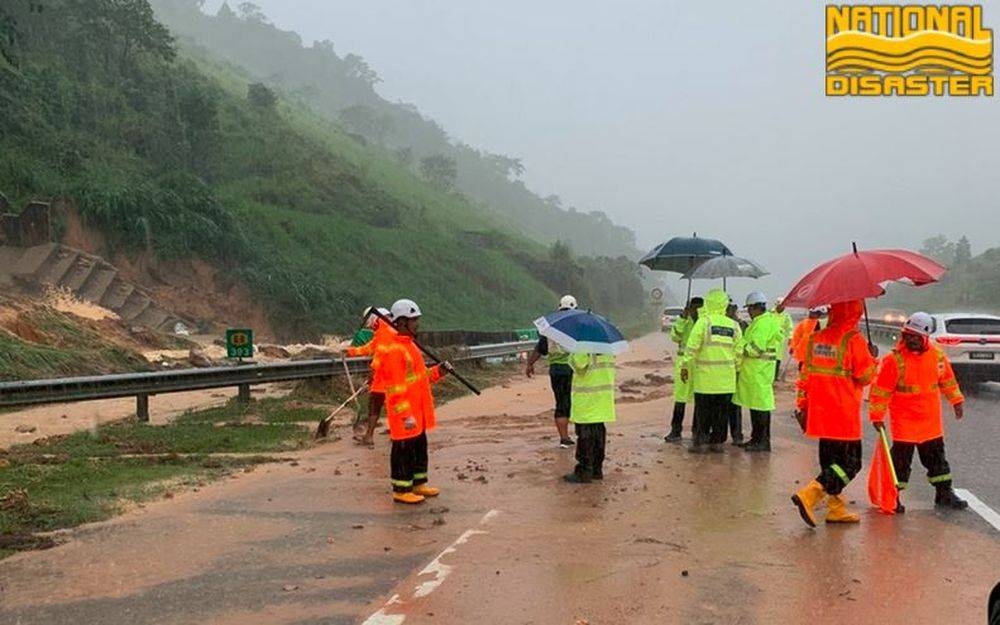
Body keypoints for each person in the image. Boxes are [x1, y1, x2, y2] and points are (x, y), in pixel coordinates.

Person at [868, 312, 968, 511]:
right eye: (908, 335)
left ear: (925, 337)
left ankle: (944, 493)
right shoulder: (893, 360)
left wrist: (956, 400)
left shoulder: (937, 356)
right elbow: (880, 392)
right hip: (904, 420)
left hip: (930, 420)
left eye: (916, 336)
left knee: (937, 460)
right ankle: (892, 497)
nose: (911, 339)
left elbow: (947, 381)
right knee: (900, 462)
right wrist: (877, 416)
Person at [791, 300, 877, 527]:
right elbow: (866, 376)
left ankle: (836, 509)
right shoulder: (853, 340)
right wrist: (873, 357)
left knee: (830, 464)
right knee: (851, 464)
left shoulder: (815, 338)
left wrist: (802, 406)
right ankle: (810, 494)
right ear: (855, 312)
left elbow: (804, 377)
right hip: (843, 415)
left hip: (819, 414)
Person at [371, 298, 451, 504]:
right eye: (414, 320)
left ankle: (418, 483)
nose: (418, 323)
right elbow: (396, 389)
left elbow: (420, 377)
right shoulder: (395, 351)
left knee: (418, 448)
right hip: (404, 414)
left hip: (418, 410)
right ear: (402, 322)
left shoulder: (411, 347)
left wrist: (438, 372)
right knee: (403, 451)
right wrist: (405, 415)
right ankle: (401, 488)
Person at [679, 289, 741, 454]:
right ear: (724, 304)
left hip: (705, 379)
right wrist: (737, 370)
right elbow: (739, 352)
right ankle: (718, 443)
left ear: (708, 302)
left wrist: (685, 367)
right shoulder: (734, 325)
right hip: (726, 380)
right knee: (721, 414)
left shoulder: (703, 322)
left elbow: (691, 348)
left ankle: (700, 442)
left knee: (703, 413)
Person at [526, 295, 578, 448]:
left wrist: (530, 364)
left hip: (555, 370)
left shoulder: (550, 327)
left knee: (561, 402)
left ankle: (564, 438)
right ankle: (581, 432)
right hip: (574, 369)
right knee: (576, 401)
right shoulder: (577, 325)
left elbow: (540, 348)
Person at [734, 291, 783, 452]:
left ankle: (762, 442)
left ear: (756, 307)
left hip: (758, 370)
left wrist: (741, 346)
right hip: (757, 371)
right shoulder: (761, 321)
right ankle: (757, 439)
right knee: (756, 406)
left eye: (749, 308)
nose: (748, 311)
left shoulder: (762, 324)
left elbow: (756, 349)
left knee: (761, 407)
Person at [563, 350, 616, 483]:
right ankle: (597, 470)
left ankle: (584, 471)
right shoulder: (607, 350)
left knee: (585, 436)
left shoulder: (584, 348)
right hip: (603, 400)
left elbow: (577, 365)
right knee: (599, 434)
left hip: (587, 401)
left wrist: (573, 351)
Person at [345, 307, 395, 445]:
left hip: (386, 377)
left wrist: (373, 372)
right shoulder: (386, 332)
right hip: (388, 377)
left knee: (377, 405)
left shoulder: (385, 332)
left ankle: (379, 435)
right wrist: (350, 351)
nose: (371, 327)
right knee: (387, 405)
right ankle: (385, 433)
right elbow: (369, 348)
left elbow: (381, 355)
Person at [665, 296, 703, 442]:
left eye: (699, 308)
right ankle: (675, 430)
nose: (697, 311)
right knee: (680, 397)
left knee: (699, 397)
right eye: (694, 308)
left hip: (699, 364)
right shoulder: (684, 321)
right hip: (683, 362)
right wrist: (682, 319)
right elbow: (675, 337)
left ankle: (697, 431)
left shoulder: (704, 323)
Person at [771, 298, 795, 382]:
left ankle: (775, 376)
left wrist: (790, 338)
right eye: (781, 306)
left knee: (778, 358)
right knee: (770, 357)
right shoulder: (770, 314)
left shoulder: (786, 316)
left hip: (780, 340)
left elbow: (790, 327)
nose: (783, 308)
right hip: (771, 338)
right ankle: (770, 375)